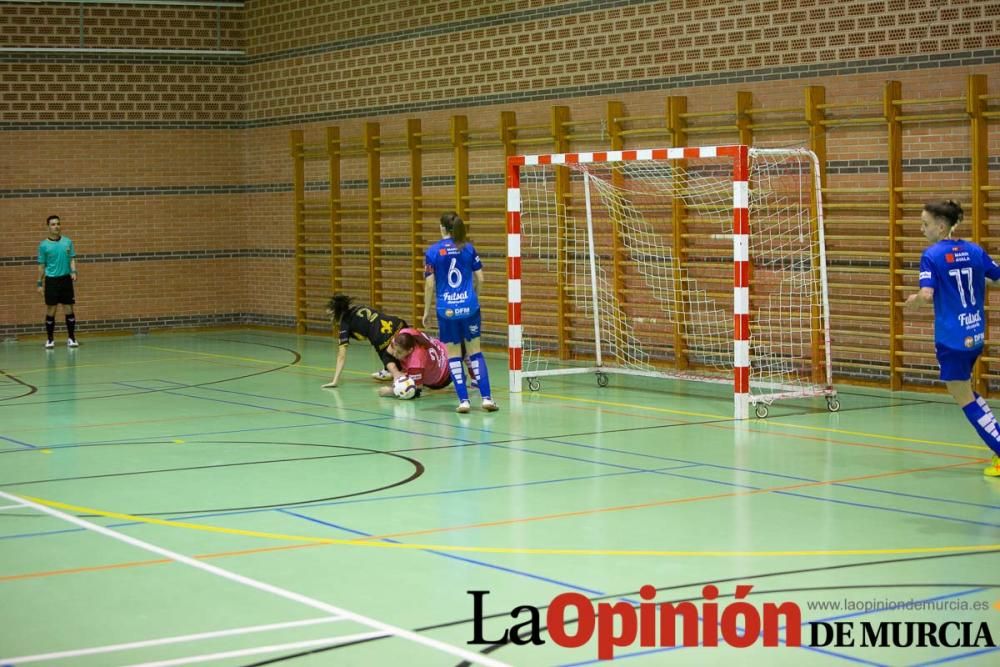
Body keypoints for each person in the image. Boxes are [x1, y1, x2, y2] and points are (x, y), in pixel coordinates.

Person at [905, 200, 1000, 477]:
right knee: (966, 392)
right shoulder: (974, 250)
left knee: (964, 397)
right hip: (975, 333)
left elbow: (926, 294)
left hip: (952, 339)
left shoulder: (932, 255)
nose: (922, 230)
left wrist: (914, 300)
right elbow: (996, 278)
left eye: (925, 224)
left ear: (941, 226)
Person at [423, 211, 498, 413]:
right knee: (475, 353)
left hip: (446, 310)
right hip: (469, 307)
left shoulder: (432, 252)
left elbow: (429, 285)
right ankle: (487, 399)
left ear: (442, 228)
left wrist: (426, 311)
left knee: (454, 356)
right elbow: (481, 279)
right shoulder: (468, 248)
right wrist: (475, 297)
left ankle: (464, 401)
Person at [321, 294, 407, 388]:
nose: (330, 319)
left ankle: (399, 377)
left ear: (337, 312)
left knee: (387, 357)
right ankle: (388, 370)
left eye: (331, 316)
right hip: (398, 323)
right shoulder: (358, 307)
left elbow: (341, 356)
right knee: (408, 347)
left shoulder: (344, 325)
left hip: (382, 336)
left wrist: (335, 381)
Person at [36, 214, 79, 349]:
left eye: (58, 224)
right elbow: (42, 266)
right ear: (48, 227)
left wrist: (73, 271)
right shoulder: (43, 246)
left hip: (65, 280)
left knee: (68, 308)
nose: (56, 226)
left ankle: (71, 338)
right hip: (51, 281)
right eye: (53, 224)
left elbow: (72, 258)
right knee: (51, 310)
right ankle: (50, 340)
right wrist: (39, 283)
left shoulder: (67, 242)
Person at [378, 327, 452, 399]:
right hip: (442, 347)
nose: (394, 353)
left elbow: (415, 392)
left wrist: (391, 392)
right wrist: (395, 373)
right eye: (394, 349)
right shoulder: (404, 334)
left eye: (399, 352)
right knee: (393, 359)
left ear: (410, 350)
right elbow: (387, 355)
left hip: (445, 375)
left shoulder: (416, 362)